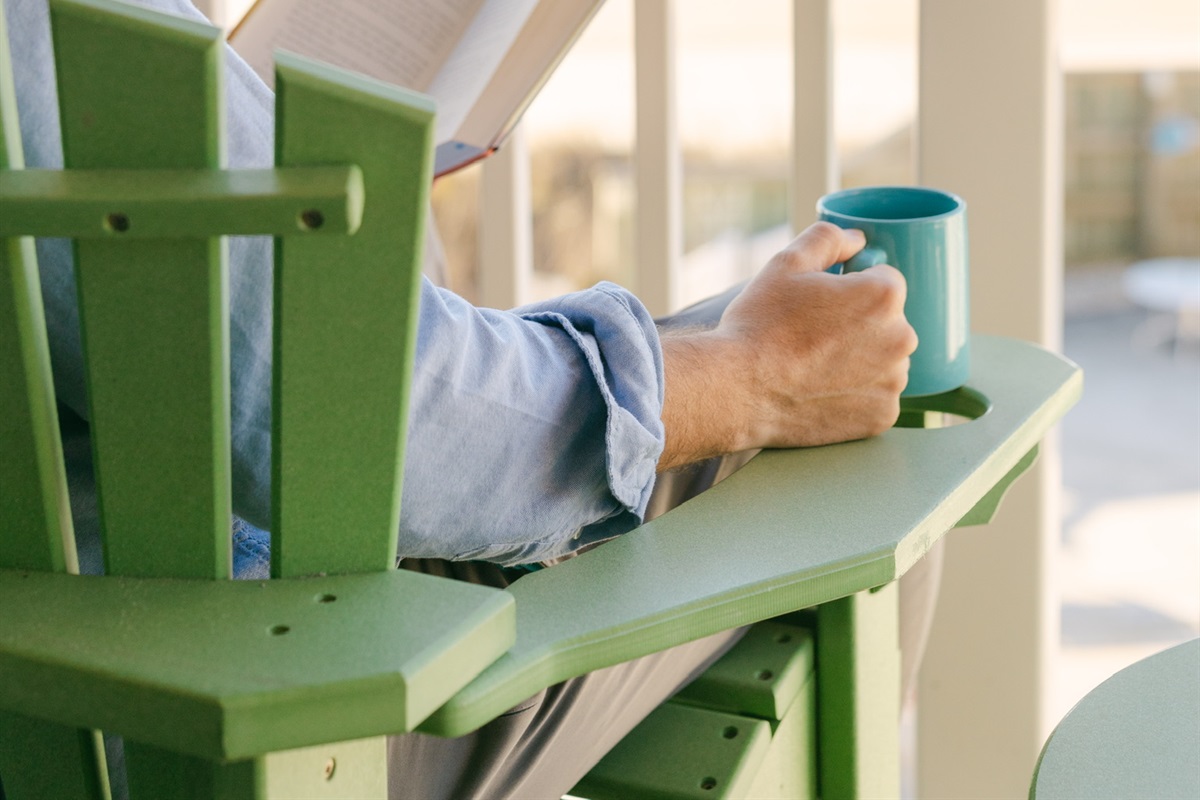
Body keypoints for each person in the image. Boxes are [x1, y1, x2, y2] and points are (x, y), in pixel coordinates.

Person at [5, 0, 920, 797]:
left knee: (771, 345)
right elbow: (379, 433)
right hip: (181, 710)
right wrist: (753, 378)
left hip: (76, 658)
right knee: (879, 460)